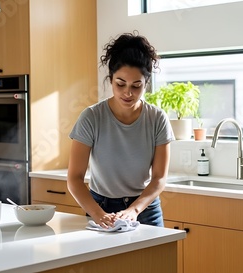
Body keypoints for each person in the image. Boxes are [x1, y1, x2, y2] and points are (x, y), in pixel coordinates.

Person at [67, 32, 175, 228]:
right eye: (120, 84)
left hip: (145, 209)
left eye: (136, 85)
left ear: (146, 84)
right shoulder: (91, 117)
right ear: (110, 79)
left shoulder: (157, 119)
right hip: (100, 207)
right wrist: (98, 214)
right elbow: (74, 179)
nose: (128, 92)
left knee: (153, 260)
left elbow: (159, 178)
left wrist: (134, 210)